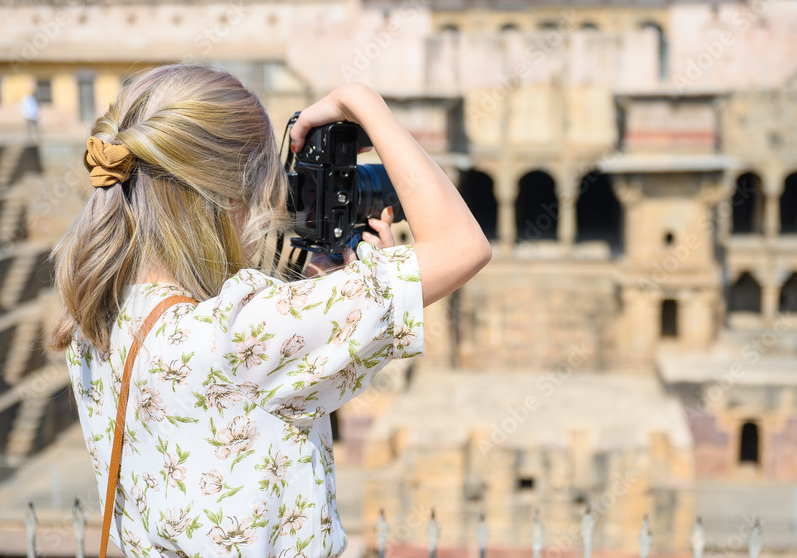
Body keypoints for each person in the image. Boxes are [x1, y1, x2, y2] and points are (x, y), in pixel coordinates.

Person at [48, 64, 490, 558]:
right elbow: (463, 246)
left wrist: (313, 297)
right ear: (230, 196)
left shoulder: (96, 318)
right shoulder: (246, 335)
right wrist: (362, 101)